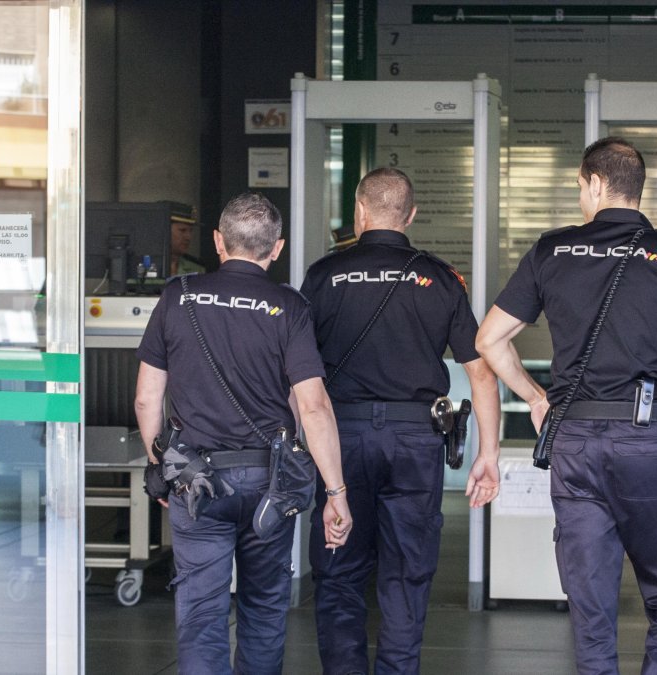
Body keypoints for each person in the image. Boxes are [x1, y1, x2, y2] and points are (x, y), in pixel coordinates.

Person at [475, 137, 657, 675]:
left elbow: (490, 341)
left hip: (573, 446)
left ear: (596, 183)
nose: (580, 195)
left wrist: (536, 399)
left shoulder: (551, 250)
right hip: (645, 443)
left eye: (580, 185)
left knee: (591, 610)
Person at [135, 192, 352, 675]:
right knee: (264, 606)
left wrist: (157, 467)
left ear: (217, 241)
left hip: (194, 481)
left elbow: (147, 398)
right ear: (276, 249)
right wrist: (335, 490)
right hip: (268, 483)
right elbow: (313, 406)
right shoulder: (288, 307)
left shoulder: (177, 296)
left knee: (200, 609)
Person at [300, 167, 502, 675]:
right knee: (407, 572)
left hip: (340, 437)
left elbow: (296, 371)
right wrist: (488, 454)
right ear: (410, 215)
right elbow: (481, 374)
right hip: (415, 440)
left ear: (359, 212)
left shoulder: (324, 276)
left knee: (339, 567)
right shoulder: (439, 278)